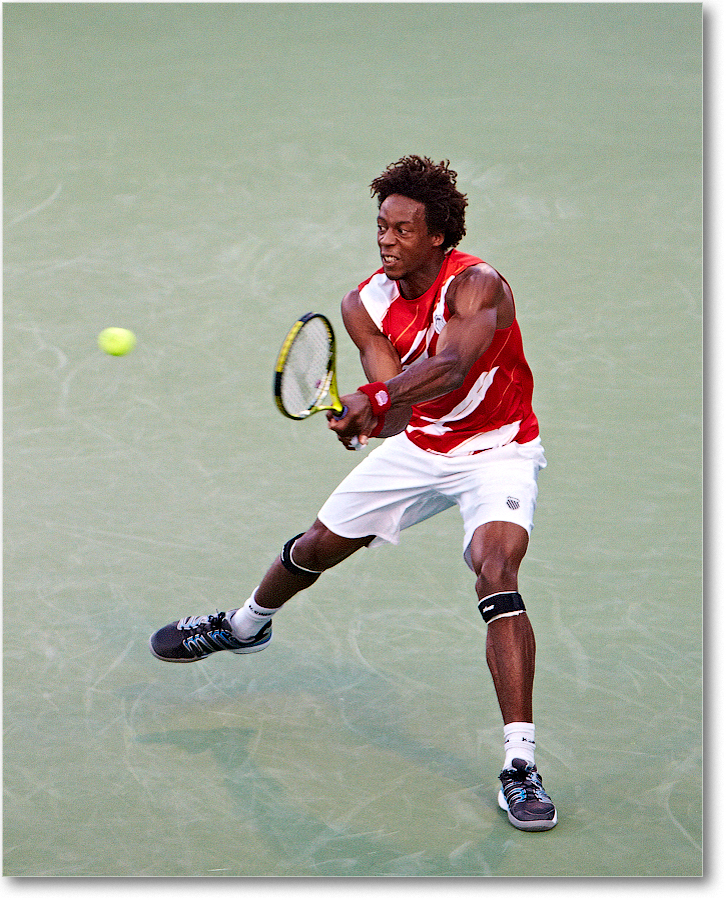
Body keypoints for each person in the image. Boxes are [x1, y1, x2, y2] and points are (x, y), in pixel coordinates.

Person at [150, 155, 558, 832]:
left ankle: (520, 764)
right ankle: (245, 626)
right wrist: (366, 417)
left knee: (497, 571)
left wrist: (378, 397)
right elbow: (395, 401)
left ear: (438, 236)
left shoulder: (479, 286)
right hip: (420, 449)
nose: (386, 239)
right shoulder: (362, 304)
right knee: (315, 548)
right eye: (381, 226)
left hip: (499, 450)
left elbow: (452, 363)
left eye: (402, 228)